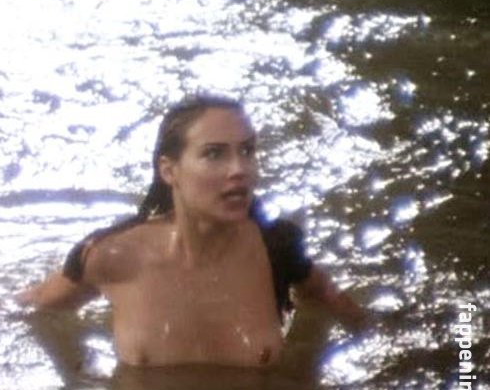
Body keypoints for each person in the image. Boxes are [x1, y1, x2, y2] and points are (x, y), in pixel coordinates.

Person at [18, 95, 366, 368]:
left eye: (247, 151)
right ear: (169, 171)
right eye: (214, 154)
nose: (239, 169)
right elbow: (38, 310)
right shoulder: (112, 257)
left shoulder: (276, 249)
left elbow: (331, 305)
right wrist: (79, 377)